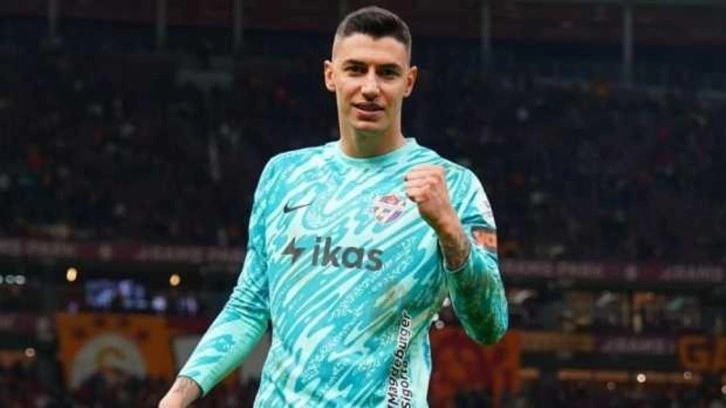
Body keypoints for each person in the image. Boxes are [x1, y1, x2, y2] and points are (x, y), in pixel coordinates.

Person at [159, 5, 508, 407]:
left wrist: (450, 231)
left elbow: (490, 326)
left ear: (409, 82)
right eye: (356, 69)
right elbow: (249, 305)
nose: (370, 87)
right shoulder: (284, 175)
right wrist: (177, 396)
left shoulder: (454, 187)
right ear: (331, 75)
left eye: (387, 73)